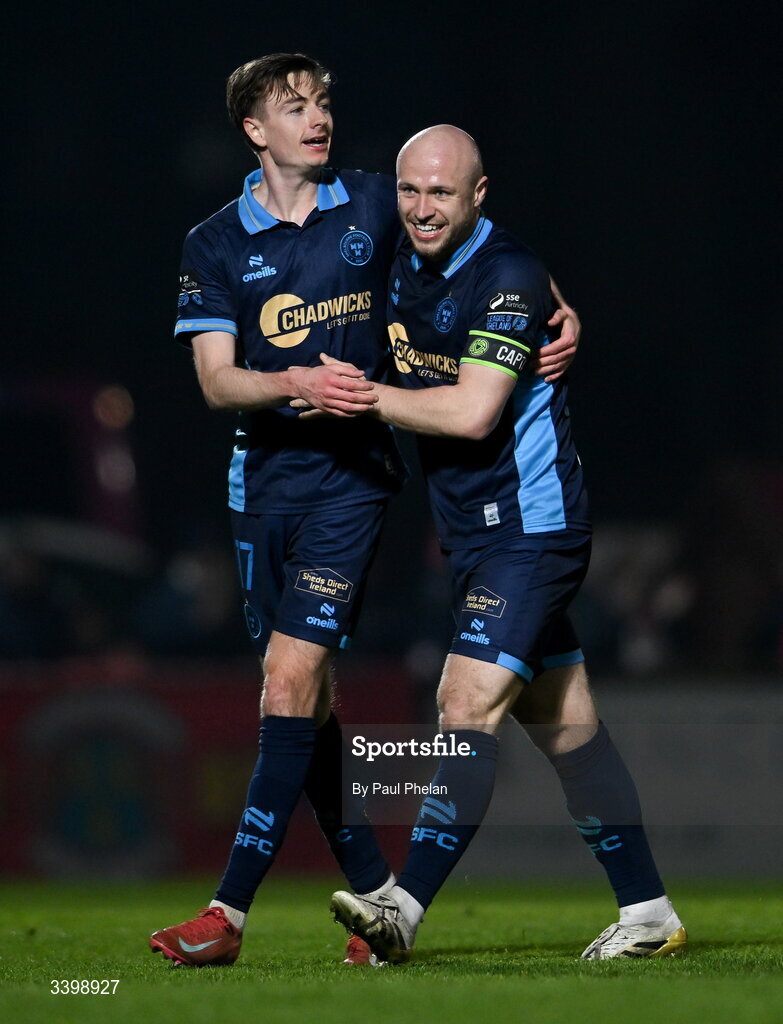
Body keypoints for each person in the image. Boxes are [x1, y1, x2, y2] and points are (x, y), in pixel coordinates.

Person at [149, 58, 580, 968]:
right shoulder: (215, 242)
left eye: (325, 103)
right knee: (304, 710)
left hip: (352, 484)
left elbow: (474, 241)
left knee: (287, 681)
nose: (318, 119)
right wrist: (291, 381)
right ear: (254, 132)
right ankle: (382, 900)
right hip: (260, 489)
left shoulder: (377, 201)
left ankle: (226, 916)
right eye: (294, 107)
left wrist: (558, 306)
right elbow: (217, 381)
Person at [324, 125, 686, 962]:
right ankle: (648, 911)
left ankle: (401, 911)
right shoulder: (393, 226)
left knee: (462, 704)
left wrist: (361, 396)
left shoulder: (507, 273)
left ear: (478, 196)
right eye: (409, 190)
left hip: (534, 528)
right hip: (474, 537)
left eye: (440, 194)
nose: (419, 208)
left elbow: (471, 413)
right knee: (568, 728)